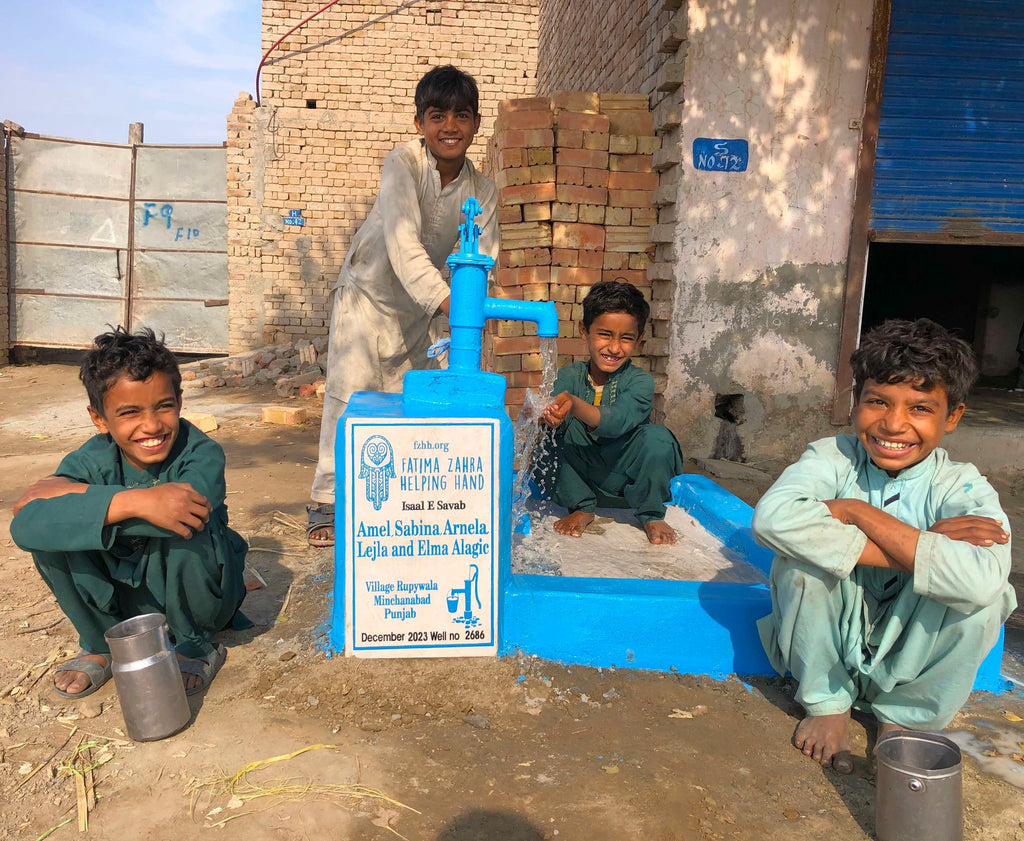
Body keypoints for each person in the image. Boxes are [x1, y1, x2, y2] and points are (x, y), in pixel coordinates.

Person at [752, 318, 1016, 774]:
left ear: (952, 417)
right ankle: (827, 703)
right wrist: (927, 547)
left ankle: (904, 718)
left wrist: (857, 512)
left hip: (912, 643)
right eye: (878, 402)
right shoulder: (831, 456)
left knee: (986, 601)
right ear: (856, 403)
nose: (894, 424)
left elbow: (980, 579)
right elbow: (773, 519)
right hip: (831, 634)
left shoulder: (962, 486)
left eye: (920, 408)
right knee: (800, 566)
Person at [307, 65, 497, 547]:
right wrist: (450, 301)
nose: (449, 126)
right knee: (349, 399)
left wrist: (469, 305)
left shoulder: (484, 190)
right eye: (437, 116)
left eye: (461, 116)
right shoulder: (403, 164)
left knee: (411, 402)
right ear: (419, 123)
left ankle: (391, 498)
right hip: (369, 296)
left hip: (426, 308)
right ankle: (326, 501)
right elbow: (402, 241)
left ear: (476, 125)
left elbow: (483, 257)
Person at [10, 327, 248, 699]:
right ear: (99, 419)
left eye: (163, 406)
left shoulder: (201, 452)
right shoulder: (92, 459)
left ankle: (193, 645)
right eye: (130, 412)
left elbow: (185, 509)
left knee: (188, 524)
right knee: (51, 537)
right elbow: (26, 525)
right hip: (124, 601)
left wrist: (82, 501)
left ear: (180, 402)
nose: (152, 425)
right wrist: (136, 503)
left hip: (200, 598)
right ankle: (101, 643)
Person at [535, 280, 684, 545]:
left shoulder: (641, 382)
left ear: (638, 341)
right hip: (577, 482)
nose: (615, 348)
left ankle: (650, 513)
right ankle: (582, 507)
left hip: (625, 486)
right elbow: (551, 404)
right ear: (584, 331)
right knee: (547, 433)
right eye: (605, 334)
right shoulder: (570, 376)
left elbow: (617, 421)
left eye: (626, 338)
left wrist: (575, 405)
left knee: (658, 438)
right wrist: (544, 413)